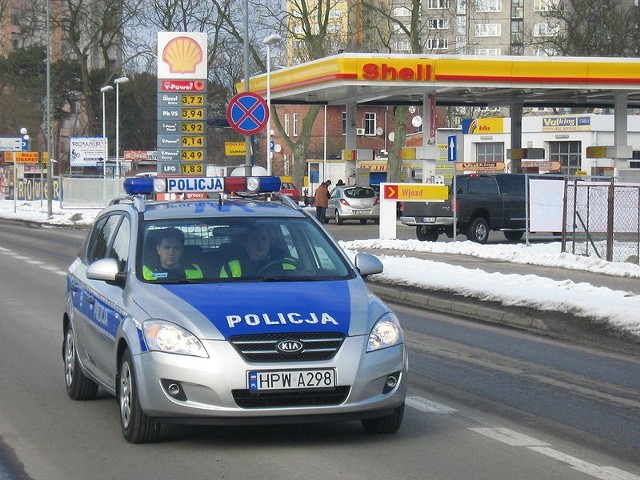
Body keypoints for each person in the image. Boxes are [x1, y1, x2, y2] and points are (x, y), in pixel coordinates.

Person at [219, 225, 296, 278]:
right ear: (245, 244)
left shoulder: (287, 264)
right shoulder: (230, 267)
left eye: (263, 238)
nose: (260, 243)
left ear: (269, 243)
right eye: (254, 239)